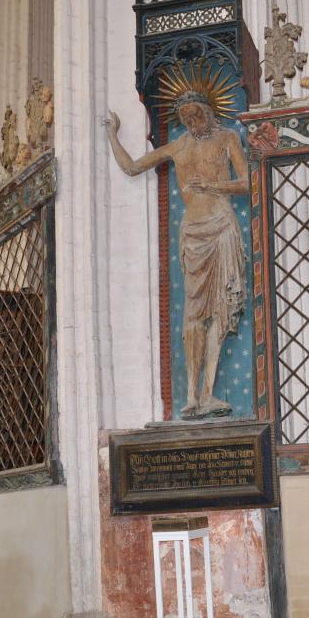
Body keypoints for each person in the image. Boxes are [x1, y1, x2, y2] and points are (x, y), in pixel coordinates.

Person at [105, 88, 248, 419]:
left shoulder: (227, 138)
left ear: (209, 112)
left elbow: (247, 182)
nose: (193, 123)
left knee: (221, 310)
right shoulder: (179, 146)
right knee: (194, 313)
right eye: (187, 119)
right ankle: (191, 395)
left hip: (222, 227)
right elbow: (132, 167)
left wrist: (213, 186)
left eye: (197, 115)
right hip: (194, 232)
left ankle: (209, 393)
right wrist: (113, 136)